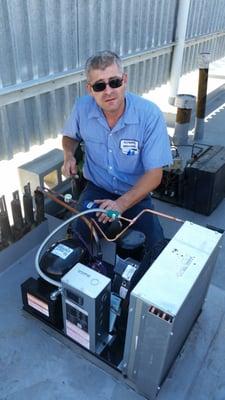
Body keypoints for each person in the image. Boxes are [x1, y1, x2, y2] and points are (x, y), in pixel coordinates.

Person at [62, 50, 172, 250]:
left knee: (154, 247)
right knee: (77, 242)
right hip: (97, 190)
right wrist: (68, 155)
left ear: (125, 80)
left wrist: (121, 205)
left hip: (134, 193)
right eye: (99, 85)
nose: (108, 91)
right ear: (90, 89)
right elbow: (69, 136)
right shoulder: (81, 108)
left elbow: (155, 175)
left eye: (114, 82)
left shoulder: (149, 115)